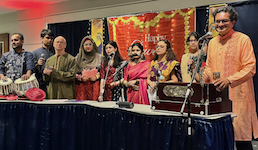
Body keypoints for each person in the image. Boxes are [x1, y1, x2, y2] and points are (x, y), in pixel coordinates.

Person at [202, 6, 258, 150]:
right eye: (217, 21)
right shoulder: (212, 42)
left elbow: (250, 67)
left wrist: (229, 79)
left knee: (241, 139)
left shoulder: (243, 40)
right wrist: (206, 74)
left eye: (224, 21)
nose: (220, 24)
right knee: (220, 138)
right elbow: (208, 66)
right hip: (218, 97)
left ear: (233, 22)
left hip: (239, 96)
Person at [75, 36, 101, 100]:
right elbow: (73, 72)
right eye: (86, 44)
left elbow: (103, 72)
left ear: (93, 45)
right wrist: (81, 78)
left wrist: (96, 77)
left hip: (95, 86)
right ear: (82, 46)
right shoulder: (78, 58)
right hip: (82, 86)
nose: (88, 46)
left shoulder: (99, 57)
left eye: (90, 44)